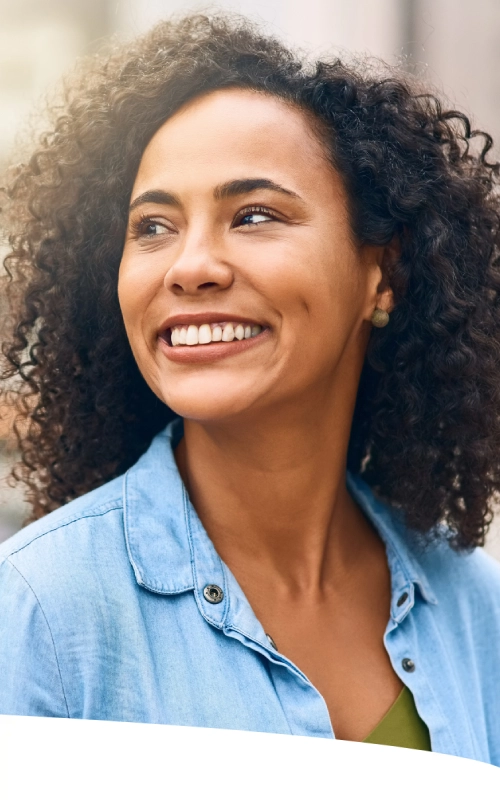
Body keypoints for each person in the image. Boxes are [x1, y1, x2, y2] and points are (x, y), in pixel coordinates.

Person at [1, 13, 500, 762]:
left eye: (254, 215)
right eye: (154, 226)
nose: (189, 265)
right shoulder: (39, 609)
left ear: (384, 274)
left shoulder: (472, 609)